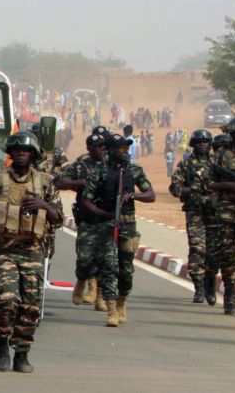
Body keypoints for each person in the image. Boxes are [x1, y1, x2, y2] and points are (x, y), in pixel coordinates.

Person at [0, 132, 63, 373]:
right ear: (11, 153)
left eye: (26, 150)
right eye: (17, 149)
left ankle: (22, 352)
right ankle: (1, 342)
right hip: (5, 250)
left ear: (33, 154)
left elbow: (59, 219)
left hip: (33, 250)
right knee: (8, 299)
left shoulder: (45, 183)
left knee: (31, 305)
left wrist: (44, 206)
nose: (22, 153)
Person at [81, 133, 155, 325]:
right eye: (121, 149)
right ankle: (111, 310)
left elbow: (151, 195)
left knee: (126, 268)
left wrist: (132, 196)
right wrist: (104, 214)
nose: (125, 152)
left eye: (127, 149)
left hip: (128, 225)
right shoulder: (99, 170)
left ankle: (122, 301)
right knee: (108, 267)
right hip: (106, 224)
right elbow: (86, 200)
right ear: (111, 151)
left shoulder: (135, 170)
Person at [55, 134, 107, 308]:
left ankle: (99, 295)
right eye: (98, 146)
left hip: (107, 218)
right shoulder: (81, 166)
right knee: (84, 258)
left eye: (104, 146)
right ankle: (82, 280)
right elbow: (61, 182)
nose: (102, 149)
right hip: (87, 219)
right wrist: (85, 182)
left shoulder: (112, 166)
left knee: (106, 260)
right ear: (90, 149)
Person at [170, 129, 219, 304]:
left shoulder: (217, 163)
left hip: (216, 214)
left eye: (205, 142)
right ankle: (199, 288)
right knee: (197, 249)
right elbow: (175, 188)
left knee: (214, 253)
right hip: (195, 213)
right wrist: (194, 190)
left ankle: (210, 284)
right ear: (193, 144)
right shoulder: (186, 165)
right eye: (198, 142)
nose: (202, 144)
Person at [210, 118, 235, 315]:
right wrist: (227, 185)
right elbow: (207, 183)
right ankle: (230, 294)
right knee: (227, 256)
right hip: (227, 210)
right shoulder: (220, 156)